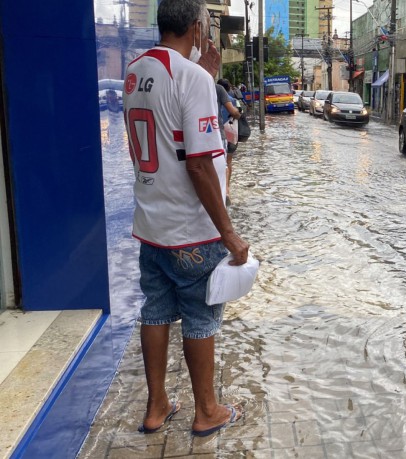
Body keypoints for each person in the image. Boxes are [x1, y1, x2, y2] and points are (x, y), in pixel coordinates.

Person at [122, 0, 249, 437]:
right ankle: (206, 411)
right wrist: (227, 232)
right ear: (197, 28)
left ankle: (157, 407)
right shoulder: (190, 76)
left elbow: (165, 125)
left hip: (150, 226)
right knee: (200, 318)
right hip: (191, 231)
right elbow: (197, 163)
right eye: (207, 28)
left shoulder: (135, 71)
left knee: (155, 312)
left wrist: (206, 78)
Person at [215, 79, 242, 203]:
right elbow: (237, 113)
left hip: (210, 133)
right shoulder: (233, 101)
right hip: (227, 134)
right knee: (227, 162)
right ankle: (226, 190)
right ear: (228, 88)